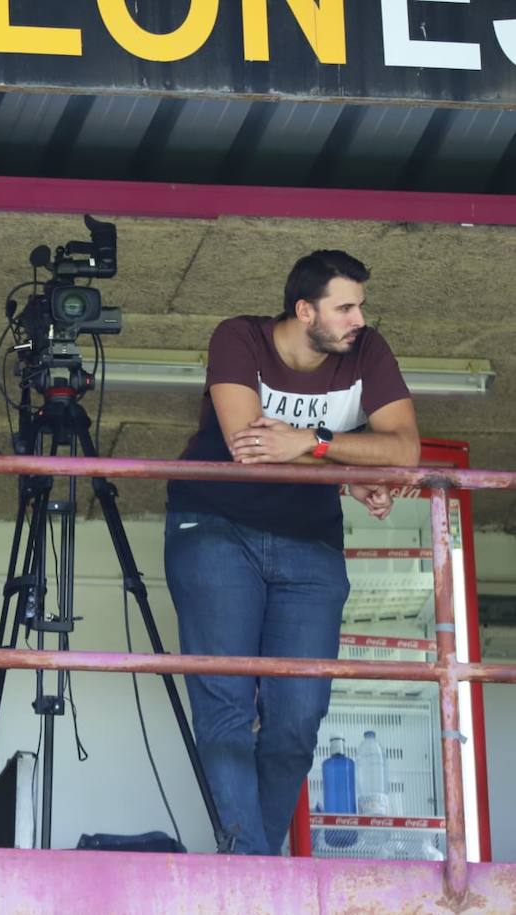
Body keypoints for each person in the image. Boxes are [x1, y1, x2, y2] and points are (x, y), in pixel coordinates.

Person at [164, 250, 419, 855]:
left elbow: (405, 449)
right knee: (226, 705)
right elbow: (249, 446)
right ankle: (255, 871)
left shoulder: (369, 348)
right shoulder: (239, 336)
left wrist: (315, 445)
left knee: (300, 716)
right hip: (217, 527)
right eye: (345, 307)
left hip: (310, 543)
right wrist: (350, 465)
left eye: (360, 305)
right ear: (305, 311)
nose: (359, 318)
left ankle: (253, 862)